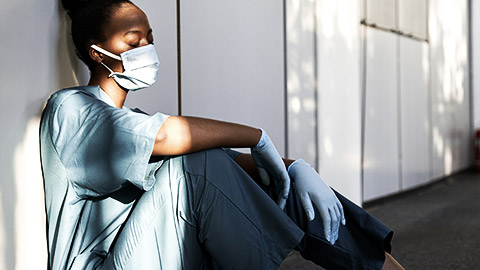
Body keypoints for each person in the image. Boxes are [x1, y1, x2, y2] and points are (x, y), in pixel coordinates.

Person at [40, 0, 404, 269]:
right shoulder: (72, 108)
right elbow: (169, 138)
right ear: (97, 53)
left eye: (150, 39)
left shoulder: (135, 119)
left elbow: (235, 168)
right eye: (133, 41)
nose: (146, 50)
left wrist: (294, 167)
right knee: (197, 164)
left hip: (163, 252)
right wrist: (257, 136)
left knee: (281, 181)